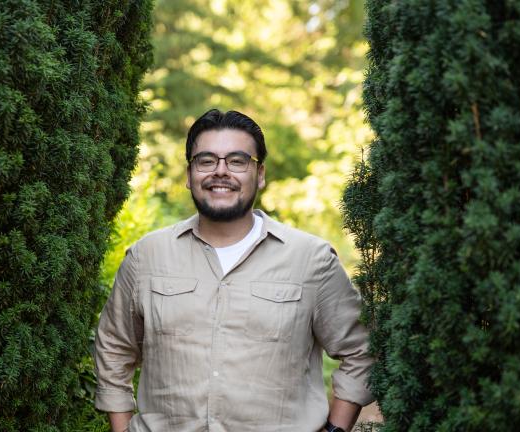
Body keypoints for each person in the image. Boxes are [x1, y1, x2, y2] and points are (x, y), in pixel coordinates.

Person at [93, 109, 374, 432]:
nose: (221, 172)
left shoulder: (311, 259)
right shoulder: (147, 257)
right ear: (189, 174)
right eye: (206, 160)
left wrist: (336, 430)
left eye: (238, 161)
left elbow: (360, 349)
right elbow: (114, 346)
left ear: (261, 174)